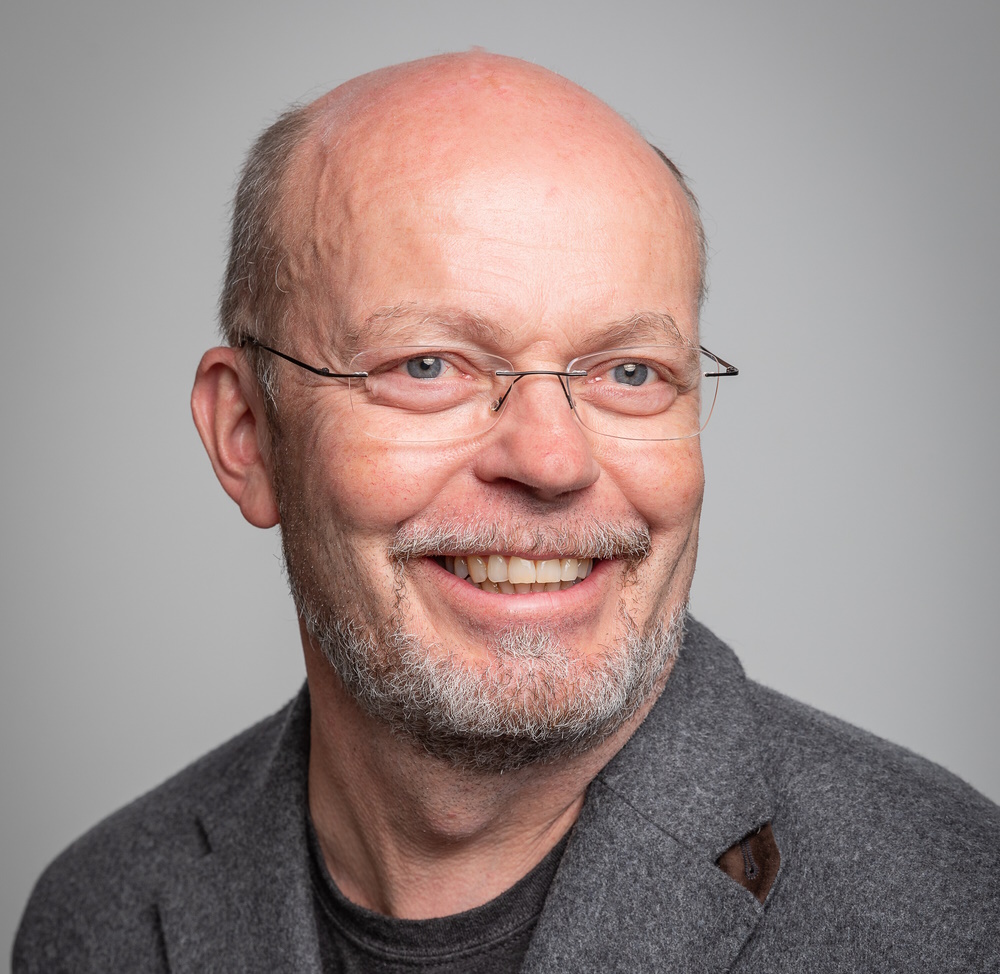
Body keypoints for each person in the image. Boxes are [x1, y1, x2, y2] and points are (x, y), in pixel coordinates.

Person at [14, 51, 999, 973]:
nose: (552, 459)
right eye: (427, 364)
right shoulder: (97, 919)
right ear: (247, 433)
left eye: (629, 372)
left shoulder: (952, 912)